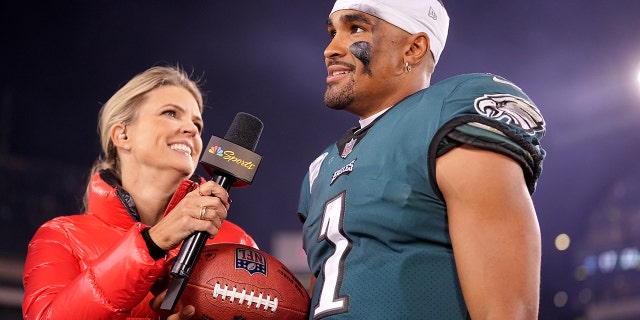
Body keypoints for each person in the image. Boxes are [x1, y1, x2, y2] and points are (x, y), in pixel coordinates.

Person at [297, 1, 546, 319]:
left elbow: (507, 313)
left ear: (414, 49)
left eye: (356, 28)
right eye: (333, 32)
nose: (330, 49)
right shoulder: (321, 168)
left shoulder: (447, 115)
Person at [22, 65, 258, 320]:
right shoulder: (61, 236)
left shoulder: (237, 241)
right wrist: (153, 242)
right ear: (122, 135)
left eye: (197, 124)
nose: (191, 129)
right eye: (171, 113)